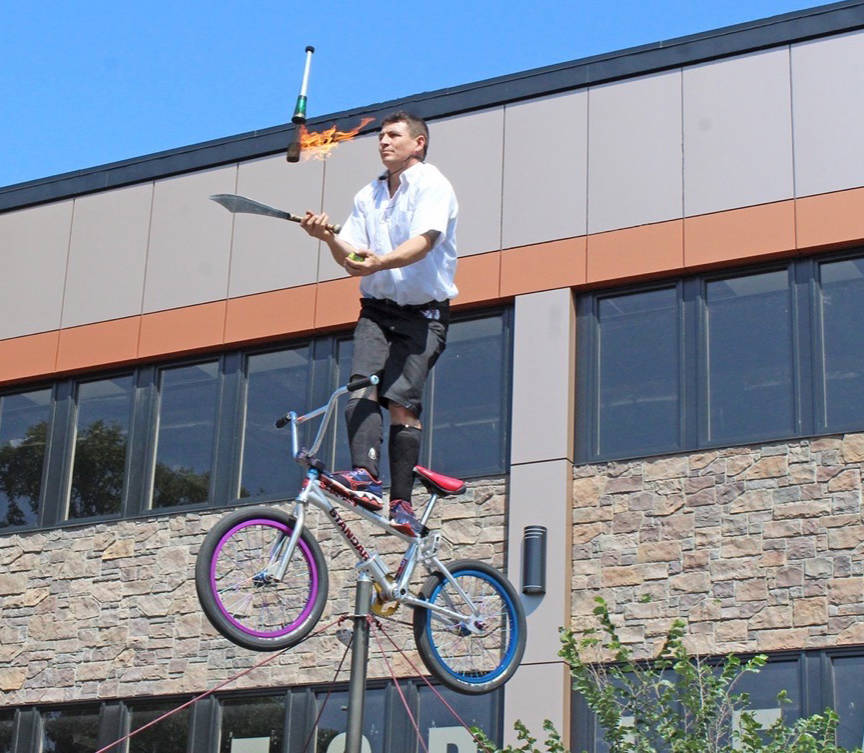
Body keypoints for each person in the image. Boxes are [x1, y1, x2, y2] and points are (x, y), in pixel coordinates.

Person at [300, 111, 458, 537]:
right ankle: (366, 478)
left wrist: (381, 259)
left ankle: (402, 503)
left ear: (418, 143)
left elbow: (423, 243)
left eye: (393, 135)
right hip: (377, 308)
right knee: (361, 384)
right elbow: (354, 263)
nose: (383, 141)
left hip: (424, 315)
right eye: (381, 136)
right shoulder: (366, 196)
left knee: (402, 401)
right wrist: (330, 238)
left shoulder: (433, 185)